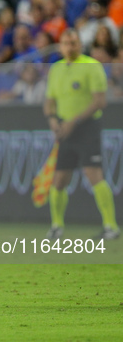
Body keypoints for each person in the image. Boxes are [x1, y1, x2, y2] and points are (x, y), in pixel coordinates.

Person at [44, 29, 119, 240]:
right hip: (65, 129)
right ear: (60, 46)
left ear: (80, 45)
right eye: (66, 43)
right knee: (59, 179)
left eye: (74, 42)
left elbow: (100, 101)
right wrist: (52, 121)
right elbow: (49, 100)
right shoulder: (56, 69)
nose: (71, 46)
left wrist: (74, 121)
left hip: (86, 127)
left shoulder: (91, 66)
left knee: (93, 174)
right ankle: (57, 225)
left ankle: (110, 226)